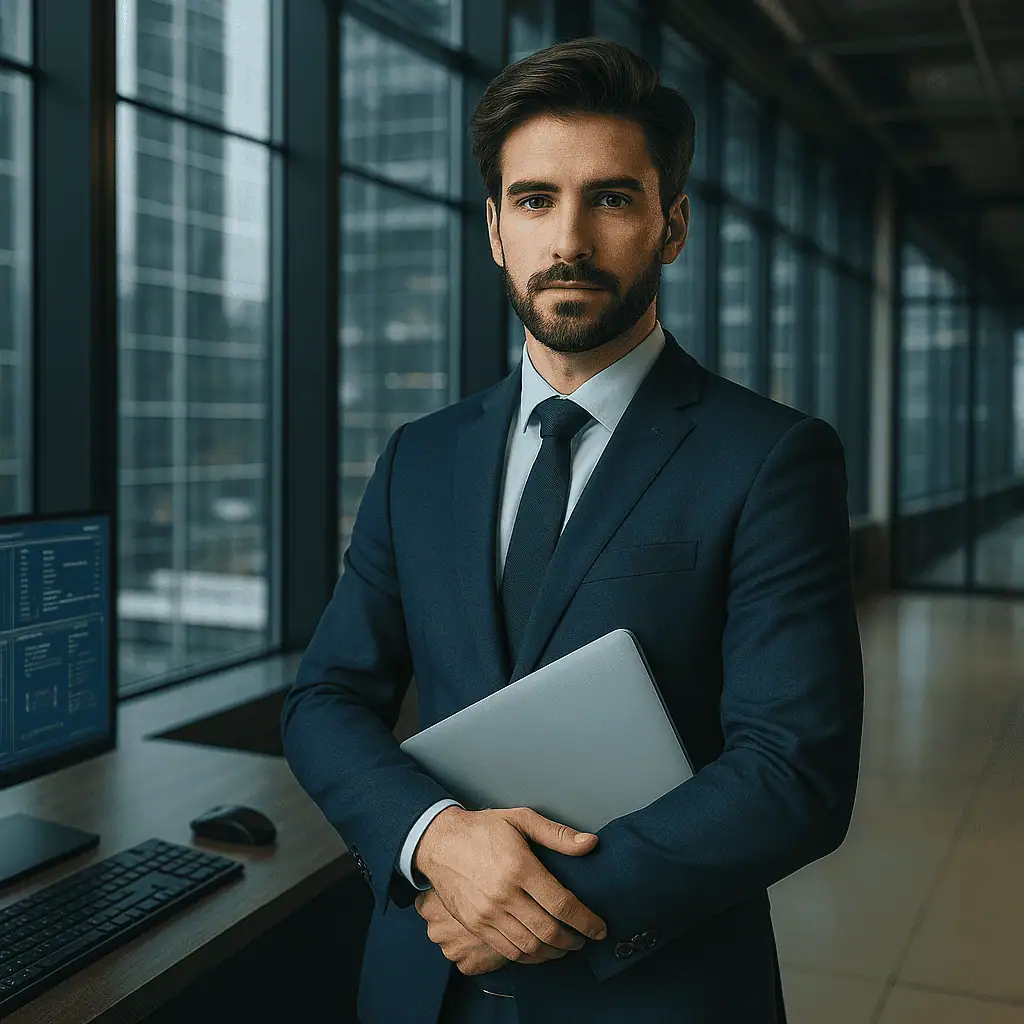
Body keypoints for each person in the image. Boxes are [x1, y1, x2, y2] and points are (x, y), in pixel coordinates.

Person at [281, 36, 864, 1024]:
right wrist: (434, 838)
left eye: (613, 198)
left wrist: (536, 900)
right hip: (424, 977)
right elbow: (327, 696)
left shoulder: (771, 457)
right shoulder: (419, 458)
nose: (570, 241)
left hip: (651, 985)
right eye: (535, 199)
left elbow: (791, 769)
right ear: (495, 229)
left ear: (670, 225)